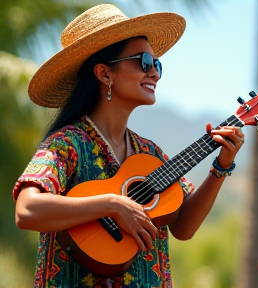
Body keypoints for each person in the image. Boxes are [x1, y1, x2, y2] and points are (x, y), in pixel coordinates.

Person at [12, 4, 245, 288]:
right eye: (145, 62)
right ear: (104, 74)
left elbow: (183, 228)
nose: (155, 74)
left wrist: (221, 166)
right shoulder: (67, 144)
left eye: (157, 64)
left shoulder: (152, 153)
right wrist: (111, 205)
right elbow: (27, 210)